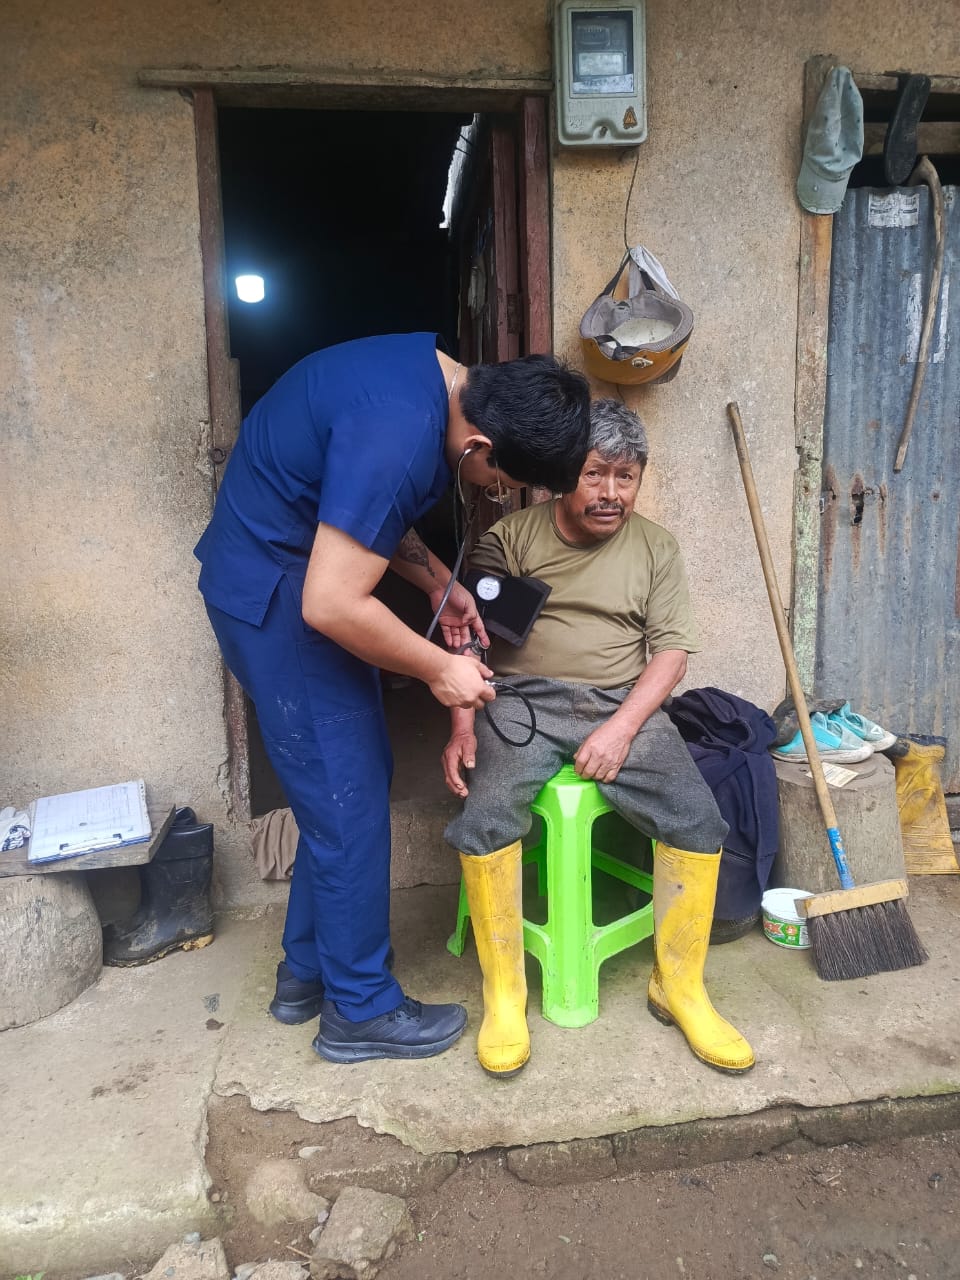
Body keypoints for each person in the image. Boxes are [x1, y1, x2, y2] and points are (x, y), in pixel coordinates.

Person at [194, 332, 591, 1064]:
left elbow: (364, 507)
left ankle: (306, 971)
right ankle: (360, 1009)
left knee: (351, 780)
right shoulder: (400, 433)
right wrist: (441, 669)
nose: (489, 494)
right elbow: (331, 604)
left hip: (284, 569)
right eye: (495, 483)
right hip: (279, 593)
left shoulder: (426, 379)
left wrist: (439, 582)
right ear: (479, 445)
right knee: (346, 795)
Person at [442, 398, 755, 1079]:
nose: (611, 492)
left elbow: (671, 653)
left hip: (621, 701)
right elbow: (467, 637)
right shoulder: (513, 537)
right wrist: (463, 721)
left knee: (699, 820)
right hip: (522, 701)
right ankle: (505, 993)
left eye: (626, 476)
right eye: (595, 474)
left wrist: (621, 727)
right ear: (565, 475)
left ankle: (679, 986)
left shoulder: (656, 548)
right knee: (488, 817)